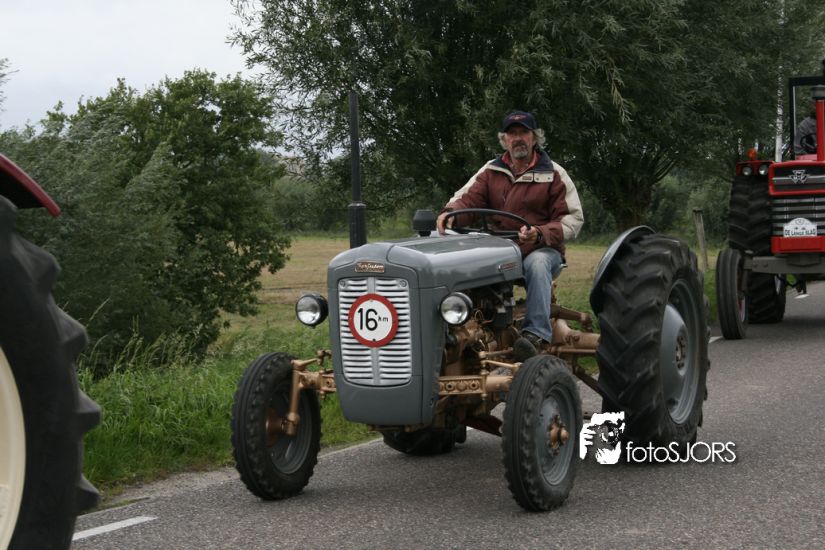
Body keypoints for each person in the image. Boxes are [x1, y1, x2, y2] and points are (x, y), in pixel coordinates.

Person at [436, 110, 584, 360]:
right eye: (512, 134)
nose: (518, 138)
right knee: (457, 264)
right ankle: (458, 332)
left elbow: (572, 219)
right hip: (498, 251)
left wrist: (539, 233)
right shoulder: (491, 170)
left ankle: (535, 335)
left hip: (540, 249)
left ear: (534, 138)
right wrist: (451, 214)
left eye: (523, 133)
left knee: (537, 263)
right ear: (504, 139)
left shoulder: (553, 173)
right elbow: (467, 199)